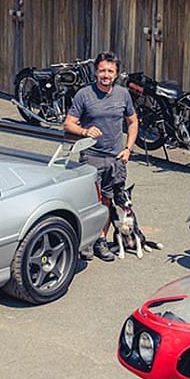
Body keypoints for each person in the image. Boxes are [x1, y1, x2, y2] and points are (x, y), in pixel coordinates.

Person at [63, 51, 138, 262]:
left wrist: (128, 149)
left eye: (110, 71)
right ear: (96, 72)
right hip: (91, 157)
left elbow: (133, 122)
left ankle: (101, 241)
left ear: (116, 74)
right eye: (102, 70)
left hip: (116, 159)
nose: (106, 75)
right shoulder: (84, 95)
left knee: (107, 201)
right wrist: (85, 132)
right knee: (90, 200)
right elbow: (68, 124)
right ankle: (85, 242)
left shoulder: (123, 94)